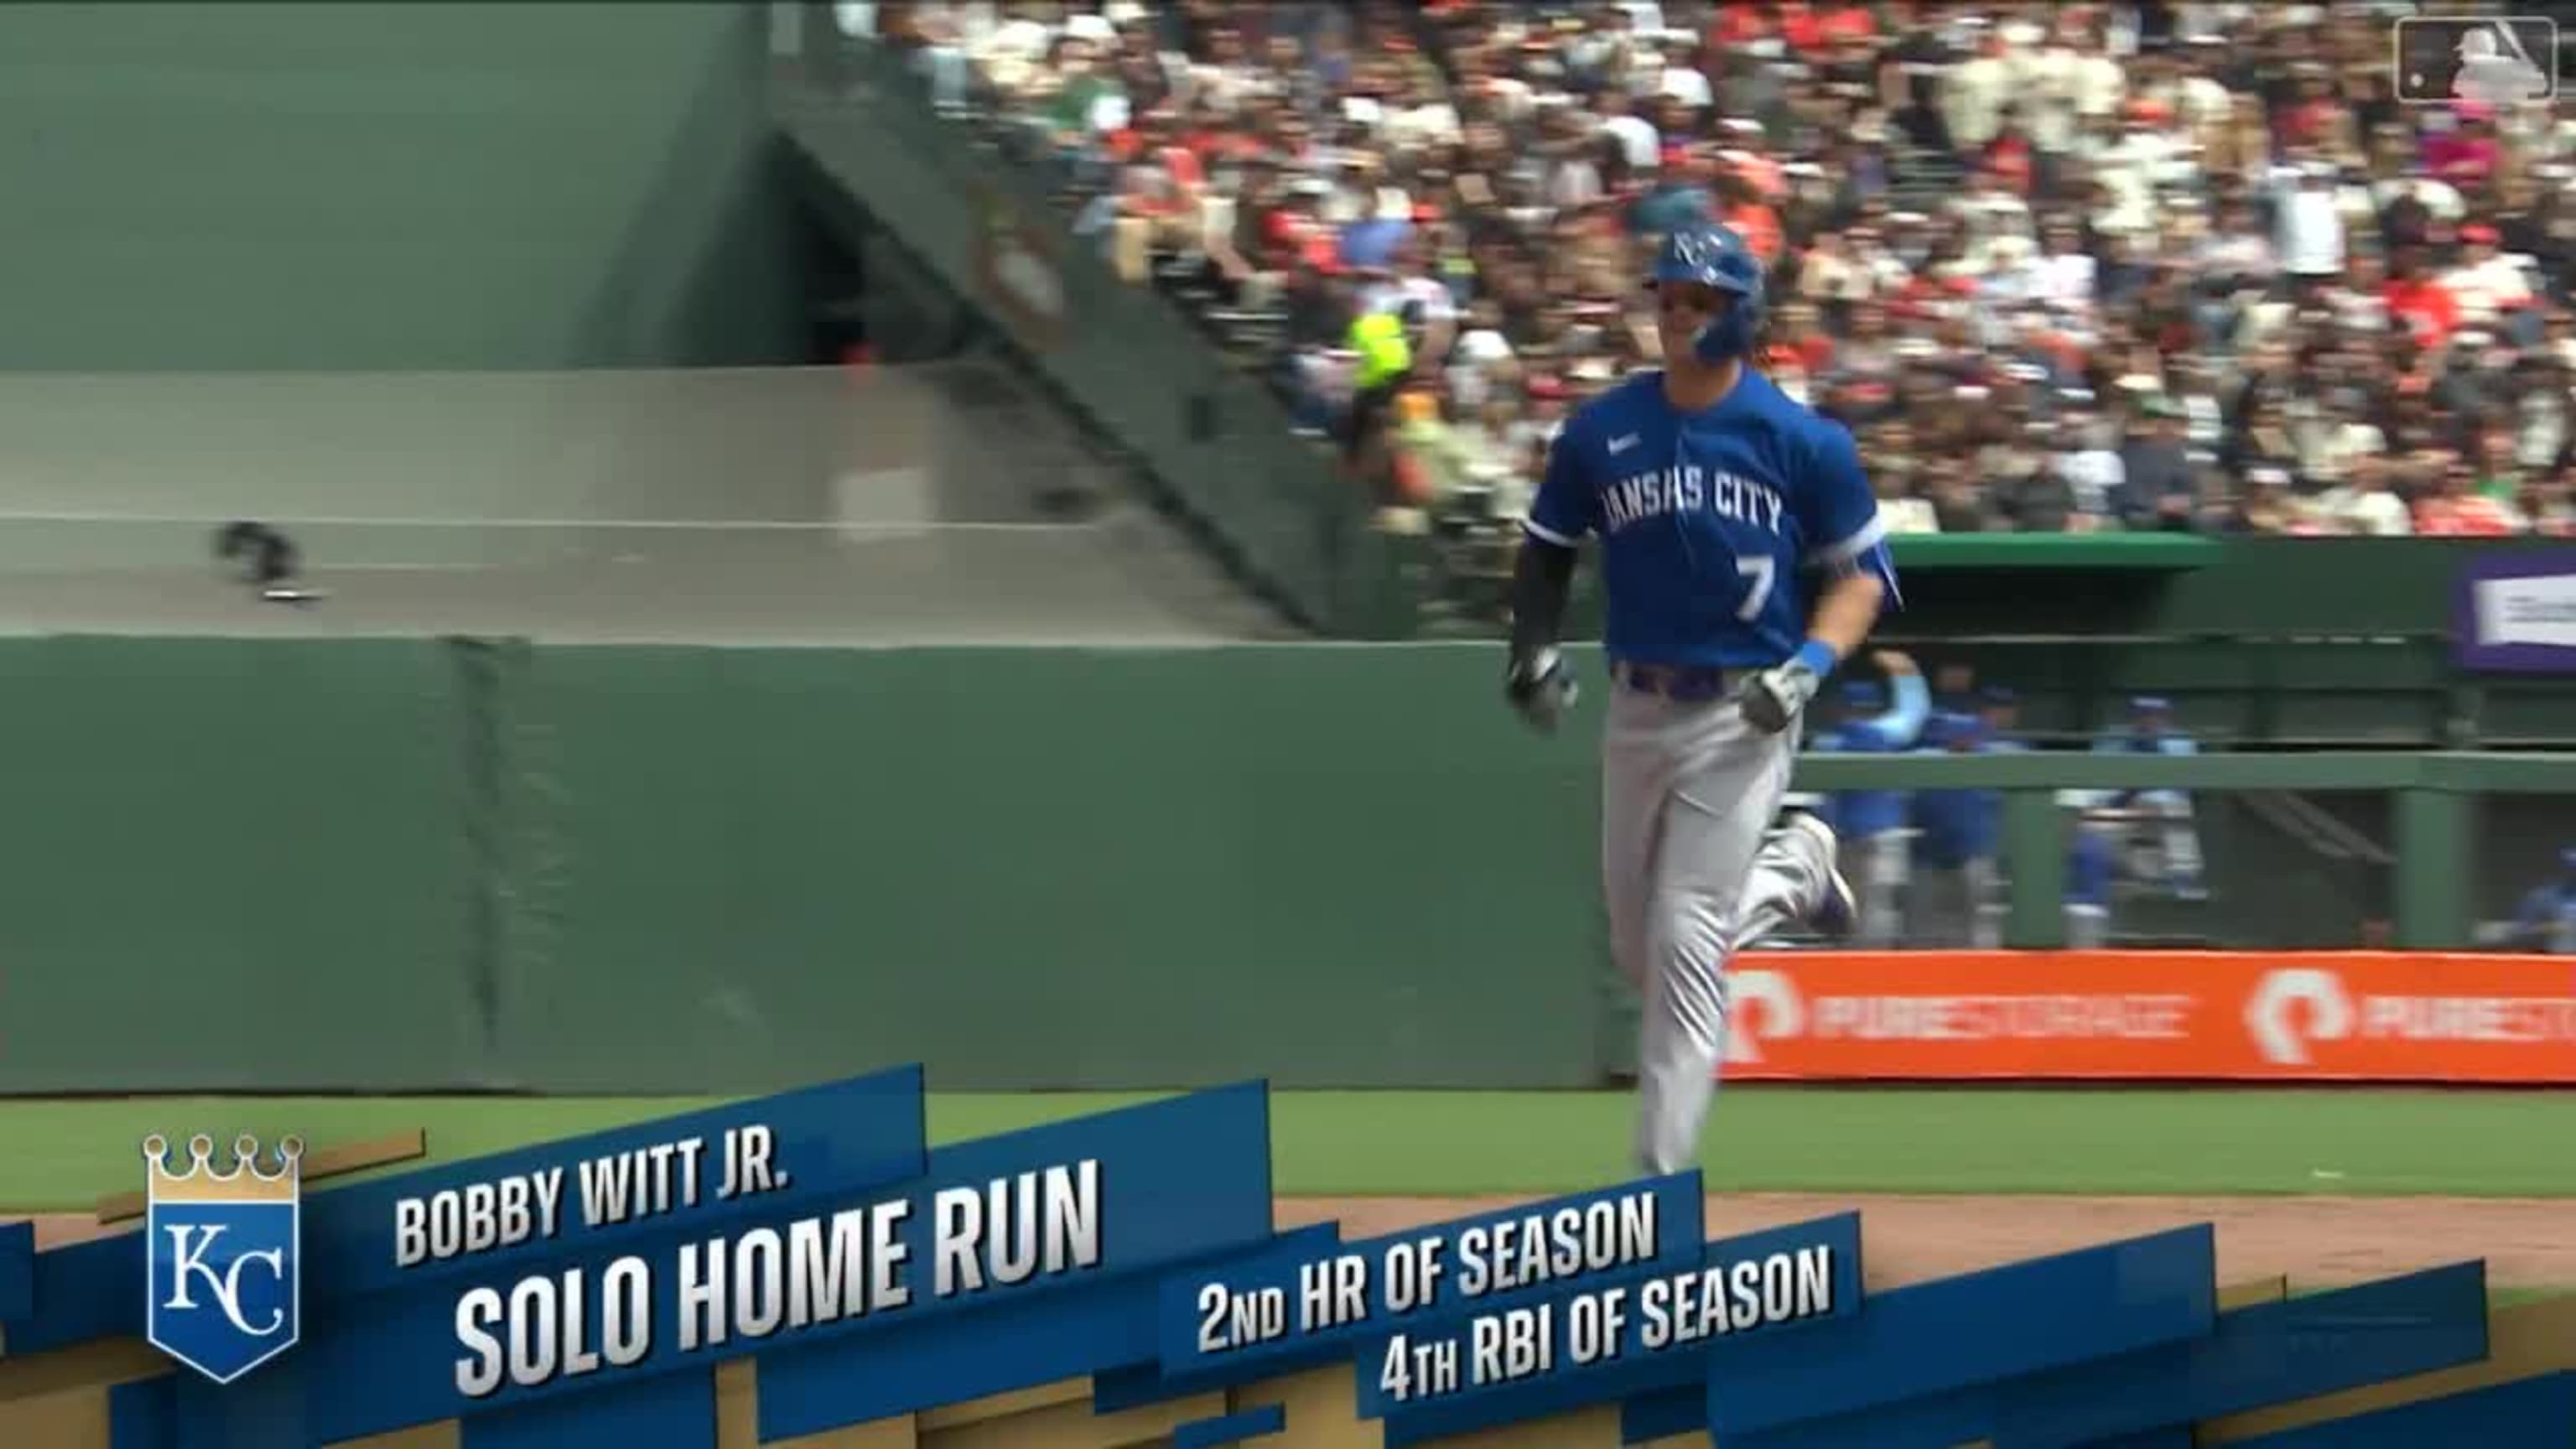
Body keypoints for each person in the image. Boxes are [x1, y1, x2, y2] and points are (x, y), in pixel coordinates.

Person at [1501, 222, 1902, 1178]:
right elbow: (1547, 548)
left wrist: (1806, 666)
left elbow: (1865, 579)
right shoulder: (1603, 431)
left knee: (1684, 946)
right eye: (1668, 297)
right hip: (1639, 706)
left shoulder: (1801, 441)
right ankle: (1794, 875)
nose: (1677, 314)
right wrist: (1531, 647)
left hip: (1744, 710)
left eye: (1699, 299)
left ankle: (1653, 1197)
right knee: (1643, 952)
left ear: (1742, 313)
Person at [1810, 657, 1933, 948]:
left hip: (1849, 839)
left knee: (1855, 908)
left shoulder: (1830, 745)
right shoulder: (1886, 733)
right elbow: (1915, 712)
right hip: (1879, 838)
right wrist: (1907, 674)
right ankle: (1871, 964)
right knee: (1877, 907)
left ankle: (1854, 961)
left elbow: (1822, 802)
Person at [1908, 711, 2003, 947]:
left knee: (1975, 920)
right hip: (1933, 855)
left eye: (1966, 735)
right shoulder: (1930, 762)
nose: (1961, 740)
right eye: (1955, 735)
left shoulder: (1988, 763)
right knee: (1930, 923)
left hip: (1972, 854)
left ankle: (1982, 971)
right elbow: (1918, 807)